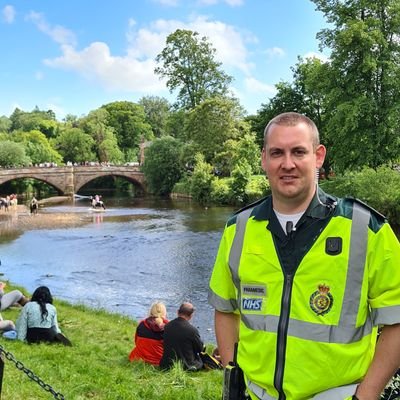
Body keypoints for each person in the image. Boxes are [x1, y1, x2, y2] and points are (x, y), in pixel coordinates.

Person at [208, 112, 400, 399]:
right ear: (264, 159)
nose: (287, 164)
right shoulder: (239, 229)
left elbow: (396, 321)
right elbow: (225, 309)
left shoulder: (367, 229)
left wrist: (367, 394)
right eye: (277, 153)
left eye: (298, 151)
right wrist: (232, 375)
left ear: (318, 156)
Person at [160, 302, 204, 371]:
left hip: (167, 365)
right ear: (191, 315)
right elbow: (200, 349)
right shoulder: (192, 330)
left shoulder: (167, 326)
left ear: (177, 312)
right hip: (186, 366)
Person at [129, 301, 169, 366]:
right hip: (158, 361)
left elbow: (136, 341)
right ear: (164, 313)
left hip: (138, 358)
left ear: (150, 312)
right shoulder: (168, 327)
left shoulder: (142, 324)